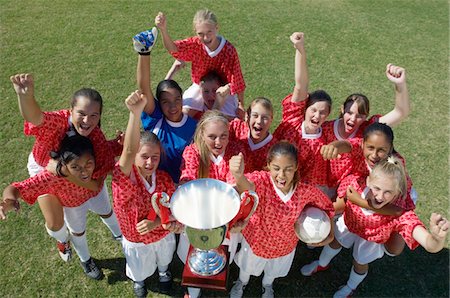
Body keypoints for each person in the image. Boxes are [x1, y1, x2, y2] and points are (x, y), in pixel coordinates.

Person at [9, 73, 122, 261]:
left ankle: (117, 233)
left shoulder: (96, 138)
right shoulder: (59, 122)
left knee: (97, 202)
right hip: (47, 168)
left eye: (93, 115)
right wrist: (25, 96)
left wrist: (118, 146)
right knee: (55, 223)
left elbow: (96, 182)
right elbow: (35, 117)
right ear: (70, 110)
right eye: (82, 114)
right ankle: (62, 240)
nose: (87, 121)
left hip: (67, 169)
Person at [300, 157, 449, 298]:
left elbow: (430, 246)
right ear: (368, 180)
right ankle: (321, 264)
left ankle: (350, 287)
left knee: (360, 262)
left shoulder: (400, 214)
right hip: (349, 226)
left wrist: (437, 238)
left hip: (371, 240)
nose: (380, 196)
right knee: (335, 242)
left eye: (388, 192)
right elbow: (340, 203)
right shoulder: (354, 184)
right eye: (377, 188)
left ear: (397, 192)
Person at [0, 135, 120, 280]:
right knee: (78, 233)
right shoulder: (52, 176)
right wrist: (9, 199)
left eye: (89, 164)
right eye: (75, 167)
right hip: (73, 205)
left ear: (95, 158)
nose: (83, 172)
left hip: (97, 193)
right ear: (63, 166)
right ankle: (86, 260)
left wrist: (124, 141)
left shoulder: (101, 154)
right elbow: (17, 188)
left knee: (107, 212)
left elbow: (120, 147)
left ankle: (119, 235)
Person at [228, 141, 335, 298]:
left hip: (284, 246)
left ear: (297, 167)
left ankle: (267, 285)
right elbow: (247, 187)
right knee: (246, 268)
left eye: (288, 169)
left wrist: (330, 234)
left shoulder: (305, 191)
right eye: (276, 168)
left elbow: (327, 207)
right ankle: (241, 282)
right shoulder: (262, 181)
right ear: (268, 165)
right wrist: (238, 175)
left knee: (272, 271)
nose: (282, 175)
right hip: (256, 242)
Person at [112, 91, 182, 297]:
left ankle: (163, 273)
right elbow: (128, 150)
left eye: (155, 157)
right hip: (137, 238)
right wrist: (135, 114)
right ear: (135, 156)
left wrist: (158, 222)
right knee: (138, 263)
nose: (150, 162)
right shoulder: (123, 178)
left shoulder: (163, 179)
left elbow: (173, 207)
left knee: (164, 256)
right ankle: (139, 280)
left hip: (161, 233)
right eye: (144, 157)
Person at [178, 110, 244, 298]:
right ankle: (193, 289)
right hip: (197, 216)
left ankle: (217, 271)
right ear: (201, 134)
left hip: (225, 217)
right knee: (193, 258)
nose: (218, 142)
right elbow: (188, 180)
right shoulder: (192, 152)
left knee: (221, 254)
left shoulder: (234, 151)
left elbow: (234, 186)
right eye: (212, 137)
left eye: (223, 136)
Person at [322, 63, 411, 192]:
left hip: (354, 187)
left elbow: (401, 112)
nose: (353, 119)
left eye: (359, 115)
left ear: (366, 116)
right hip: (326, 186)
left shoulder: (370, 129)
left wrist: (400, 84)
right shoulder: (326, 128)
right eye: (350, 113)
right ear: (342, 109)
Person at [272, 32, 334, 198]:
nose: (317, 115)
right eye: (313, 110)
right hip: (280, 182)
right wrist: (300, 48)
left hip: (309, 192)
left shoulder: (327, 134)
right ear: (304, 109)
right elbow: (301, 85)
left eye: (322, 112)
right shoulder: (293, 120)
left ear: (328, 115)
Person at [155, 9, 246, 119]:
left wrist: (241, 104)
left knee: (228, 119)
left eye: (209, 32)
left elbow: (237, 79)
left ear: (216, 28)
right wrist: (163, 30)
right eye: (201, 34)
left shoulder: (229, 50)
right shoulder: (195, 44)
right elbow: (173, 48)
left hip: (223, 89)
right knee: (183, 116)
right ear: (195, 32)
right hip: (200, 86)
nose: (206, 38)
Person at [133, 27, 197, 185]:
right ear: (159, 105)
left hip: (185, 187)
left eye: (177, 99)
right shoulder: (155, 119)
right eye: (165, 102)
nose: (173, 106)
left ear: (182, 98)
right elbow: (144, 89)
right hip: (155, 186)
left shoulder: (195, 125)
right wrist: (144, 53)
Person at [165, 60, 238, 120]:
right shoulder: (196, 101)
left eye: (214, 90)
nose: (210, 95)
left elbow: (212, 124)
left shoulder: (228, 104)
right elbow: (174, 119)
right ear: (201, 91)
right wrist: (173, 71)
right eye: (206, 91)